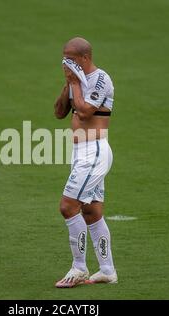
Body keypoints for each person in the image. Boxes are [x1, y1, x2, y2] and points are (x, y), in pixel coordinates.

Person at [54, 37, 118, 288]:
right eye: (63, 58)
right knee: (91, 212)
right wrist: (68, 83)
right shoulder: (75, 81)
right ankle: (107, 270)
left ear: (84, 58)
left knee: (68, 206)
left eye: (70, 58)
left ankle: (79, 268)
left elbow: (84, 111)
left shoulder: (101, 78)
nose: (65, 62)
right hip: (81, 153)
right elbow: (60, 112)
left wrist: (75, 83)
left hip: (94, 152)